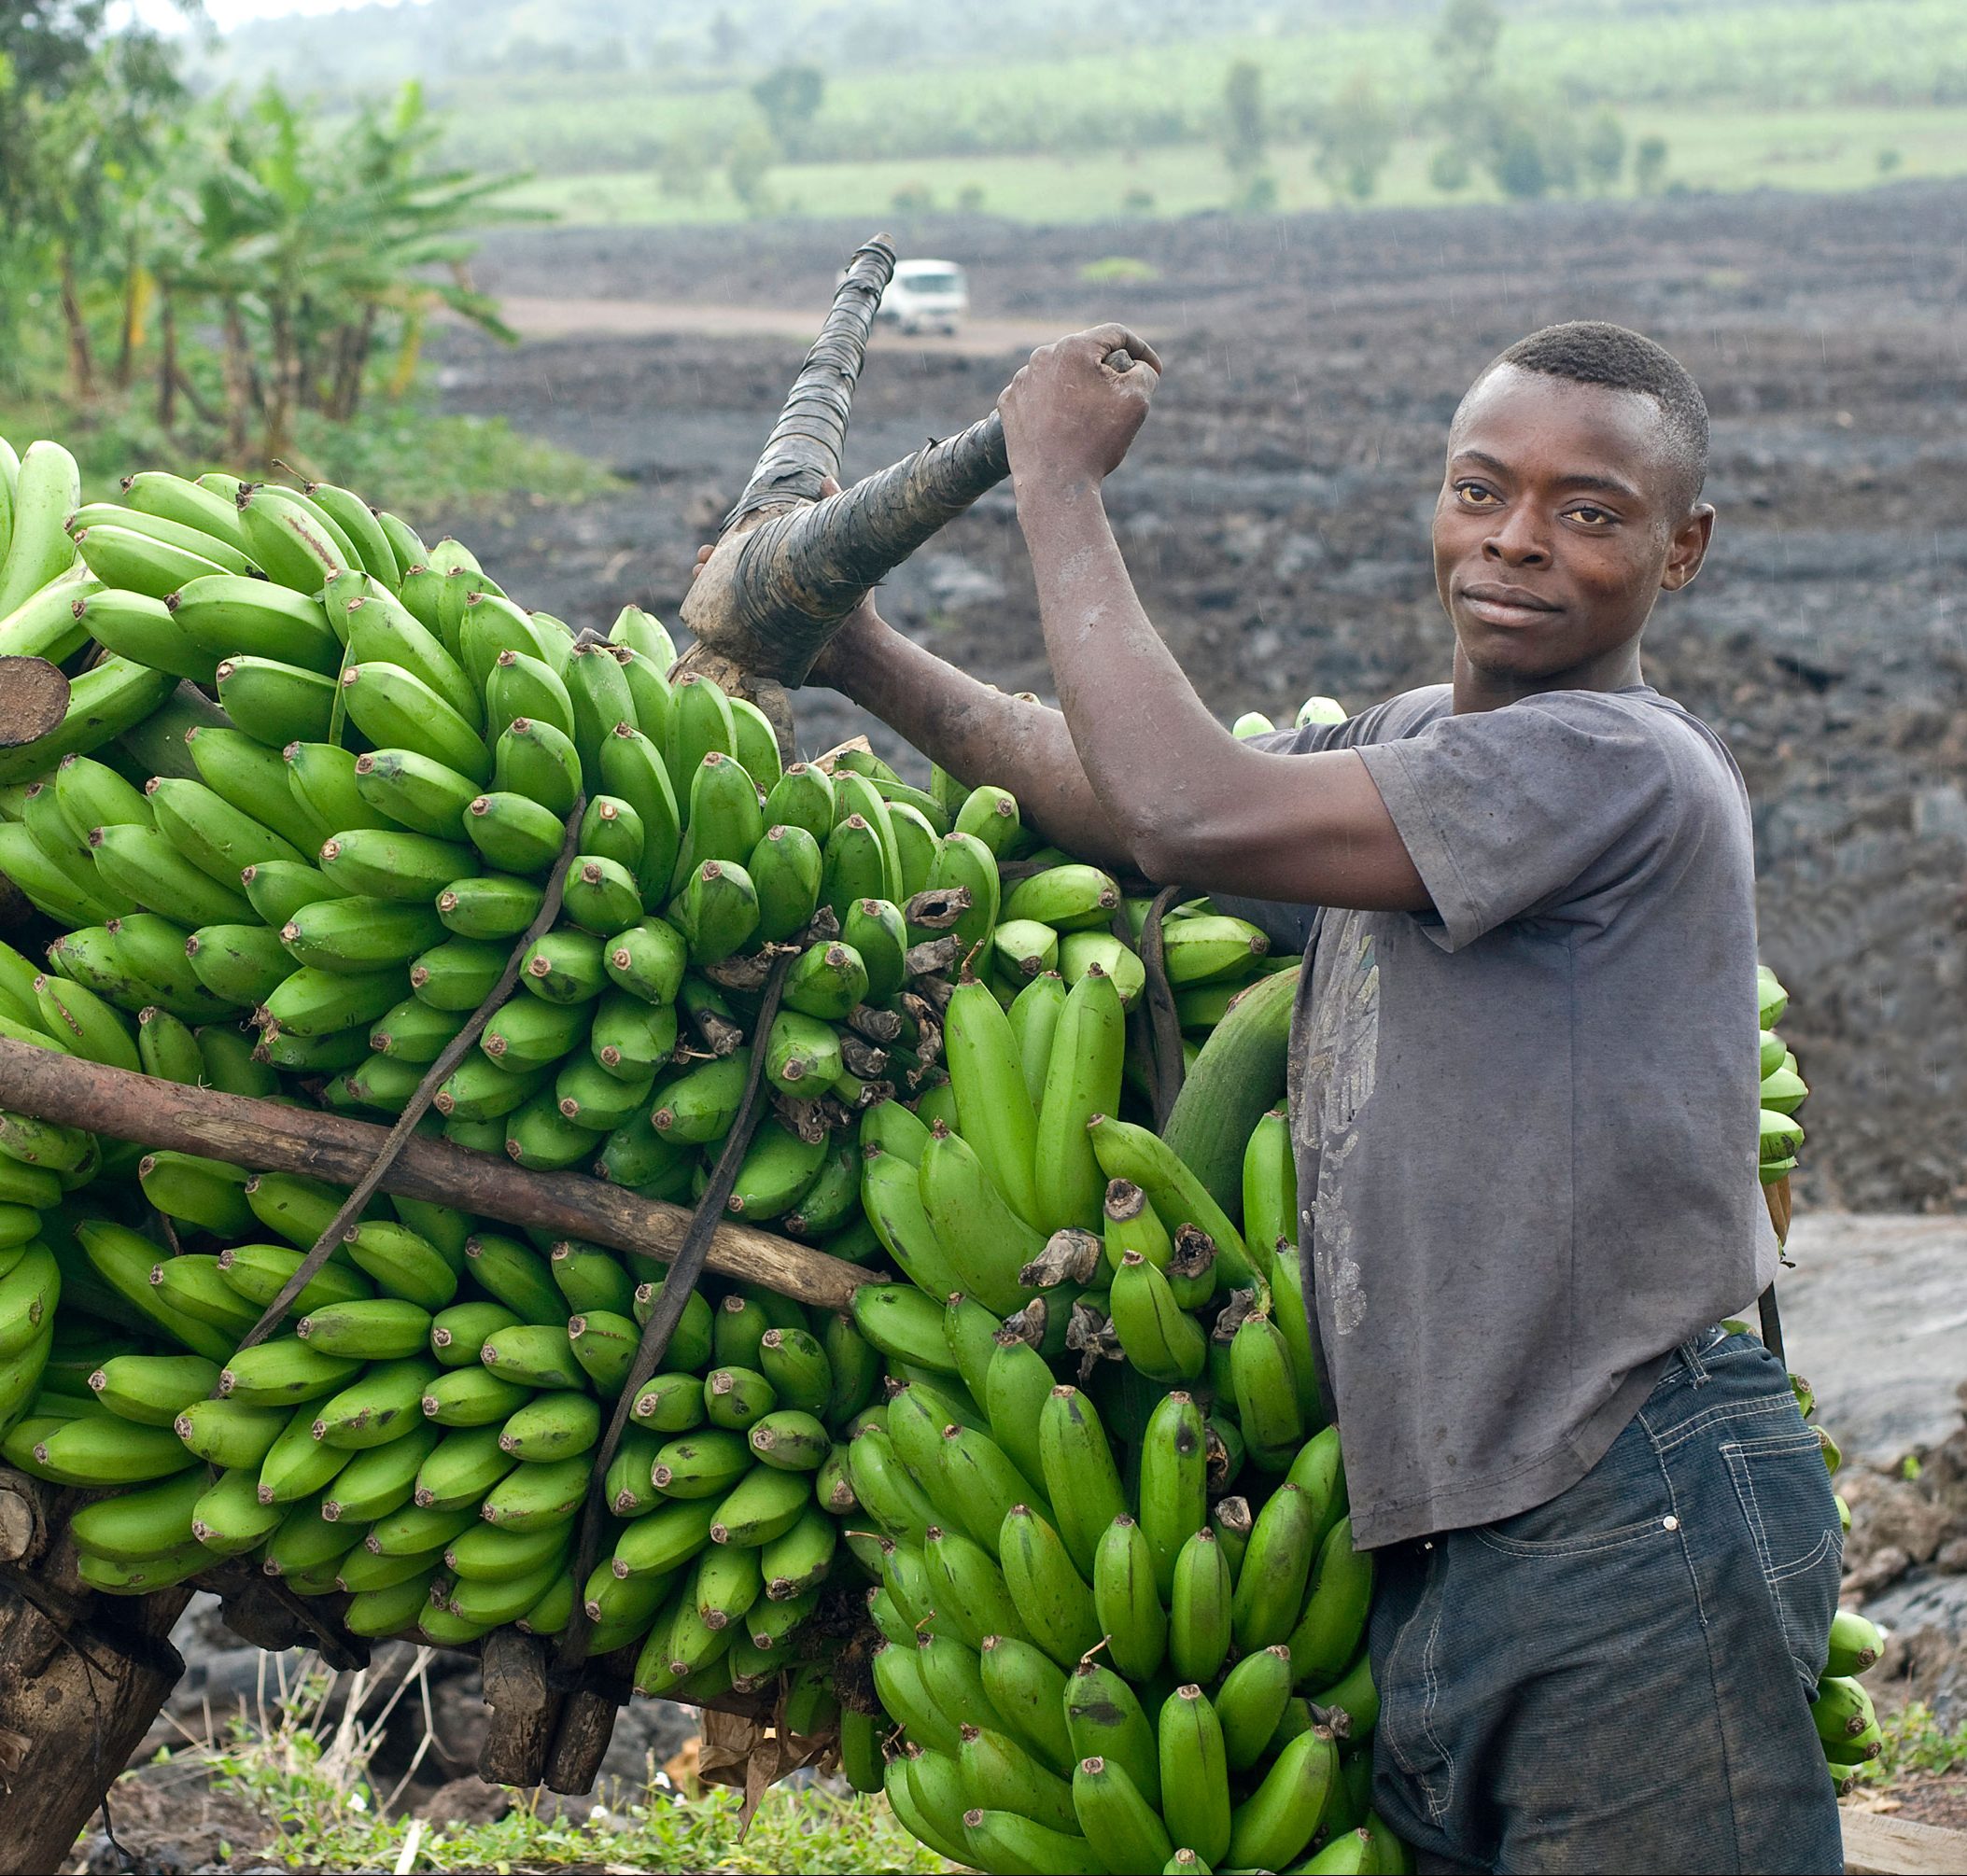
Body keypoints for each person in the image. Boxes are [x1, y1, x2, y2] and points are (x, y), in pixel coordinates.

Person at [694, 318, 1844, 1872]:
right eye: (1481, 489)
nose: (1516, 540)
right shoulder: (1428, 753)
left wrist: (1057, 484)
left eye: (1590, 512)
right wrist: (867, 656)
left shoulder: (1617, 766)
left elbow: (1190, 809)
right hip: (1476, 1541)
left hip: (1625, 1501)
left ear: (1682, 550)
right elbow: (1124, 797)